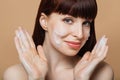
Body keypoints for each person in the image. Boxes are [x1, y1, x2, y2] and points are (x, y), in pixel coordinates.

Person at [3, 0, 114, 80]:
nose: (80, 34)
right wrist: (36, 78)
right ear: (44, 21)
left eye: (86, 23)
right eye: (68, 20)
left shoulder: (101, 73)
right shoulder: (15, 75)